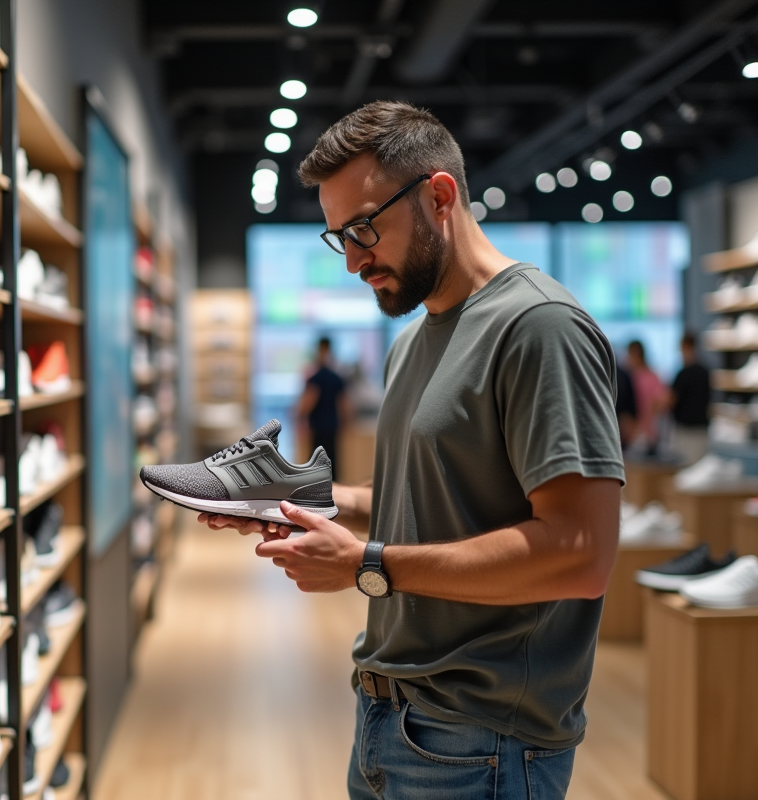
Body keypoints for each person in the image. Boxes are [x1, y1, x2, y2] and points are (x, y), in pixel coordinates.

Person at [200, 101, 623, 799]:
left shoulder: (539, 327)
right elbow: (421, 503)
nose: (356, 259)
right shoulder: (414, 339)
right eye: (340, 238)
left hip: (483, 742)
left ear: (439, 195)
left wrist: (367, 568)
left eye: (366, 227)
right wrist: (296, 499)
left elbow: (581, 553)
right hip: (388, 718)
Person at [295, 336, 348, 474]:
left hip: (319, 428)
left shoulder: (316, 379)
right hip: (331, 428)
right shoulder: (336, 378)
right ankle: (334, 492)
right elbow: (344, 406)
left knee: (317, 465)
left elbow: (308, 403)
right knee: (332, 465)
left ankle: (317, 493)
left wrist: (299, 418)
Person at [669, 332, 711, 463]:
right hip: (701, 430)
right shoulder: (705, 371)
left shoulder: (683, 374)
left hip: (685, 430)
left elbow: (671, 400)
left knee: (683, 469)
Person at [626, 340, 669, 454]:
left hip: (644, 433)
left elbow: (662, 401)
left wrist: (648, 421)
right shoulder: (632, 376)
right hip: (638, 432)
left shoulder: (645, 377)